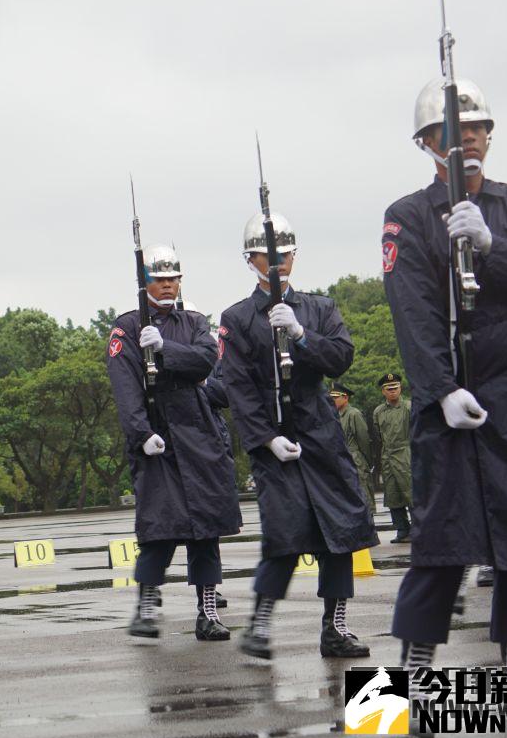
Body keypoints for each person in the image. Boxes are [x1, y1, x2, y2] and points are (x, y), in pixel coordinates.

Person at [381, 76, 507, 735]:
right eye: (449, 132)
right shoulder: (407, 215)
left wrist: (493, 246)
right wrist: (440, 388)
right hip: (452, 393)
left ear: (489, 136)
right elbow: (411, 312)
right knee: (439, 546)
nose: (465, 139)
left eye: (475, 129)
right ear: (425, 143)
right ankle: (406, 693)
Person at [219, 212, 378, 660]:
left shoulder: (320, 308)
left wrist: (302, 334)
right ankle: (261, 624)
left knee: (340, 533)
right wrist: (266, 439)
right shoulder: (236, 318)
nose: (277, 261)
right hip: (275, 441)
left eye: (284, 253)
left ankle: (336, 627)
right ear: (250, 259)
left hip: (320, 435)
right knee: (284, 535)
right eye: (267, 254)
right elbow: (238, 387)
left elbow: (341, 358)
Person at [106, 244, 239, 642]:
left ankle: (208, 612)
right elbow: (124, 385)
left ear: (180, 281)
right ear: (145, 282)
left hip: (197, 431)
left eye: (172, 279)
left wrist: (165, 349)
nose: (166, 286)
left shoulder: (195, 321)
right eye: (159, 279)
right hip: (157, 432)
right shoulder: (126, 327)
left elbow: (205, 361)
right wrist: (141, 433)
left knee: (206, 531)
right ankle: (146, 608)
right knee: (159, 529)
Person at [371, 374, 413, 542]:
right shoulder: (378, 412)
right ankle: (402, 530)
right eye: (389, 389)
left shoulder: (409, 407)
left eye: (395, 388)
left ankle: (420, 529)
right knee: (392, 495)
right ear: (383, 391)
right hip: (387, 455)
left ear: (400, 388)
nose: (393, 392)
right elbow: (378, 435)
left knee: (411, 492)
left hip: (406, 452)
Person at [330, 382, 375, 513]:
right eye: (331, 398)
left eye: (335, 397)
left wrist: (367, 462)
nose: (332, 400)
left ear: (345, 397)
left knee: (363, 497)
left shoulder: (353, 414)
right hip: (340, 460)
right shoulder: (334, 416)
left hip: (356, 460)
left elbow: (364, 440)